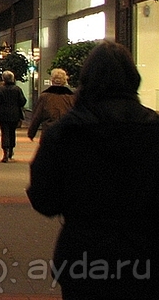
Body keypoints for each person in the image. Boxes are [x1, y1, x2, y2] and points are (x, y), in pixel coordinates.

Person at [27, 41, 159, 300]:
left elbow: (44, 199)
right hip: (145, 255)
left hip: (84, 256)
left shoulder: (64, 133)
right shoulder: (154, 129)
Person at [26, 68, 74, 141]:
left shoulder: (45, 96)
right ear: (65, 81)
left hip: (49, 132)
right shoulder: (71, 97)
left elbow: (37, 116)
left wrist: (31, 133)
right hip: (66, 133)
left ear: (52, 80)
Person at [0, 70, 26, 162]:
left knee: (5, 132)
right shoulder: (17, 89)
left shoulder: (0, 90)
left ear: (4, 79)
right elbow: (23, 101)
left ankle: (5, 151)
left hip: (3, 114)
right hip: (15, 114)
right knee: (12, 132)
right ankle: (11, 151)